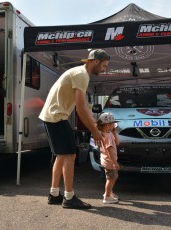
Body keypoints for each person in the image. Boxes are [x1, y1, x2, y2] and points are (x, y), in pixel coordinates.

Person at [39, 49, 110, 209]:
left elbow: (85, 108)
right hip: (56, 117)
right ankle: (69, 198)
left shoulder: (78, 72)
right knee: (70, 155)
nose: (104, 69)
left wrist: (95, 124)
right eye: (104, 66)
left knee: (61, 156)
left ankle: (54, 194)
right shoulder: (82, 75)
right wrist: (95, 132)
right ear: (96, 61)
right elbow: (81, 109)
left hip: (53, 116)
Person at [96, 112, 120, 204]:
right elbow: (109, 150)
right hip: (110, 161)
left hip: (106, 160)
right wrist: (115, 162)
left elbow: (117, 143)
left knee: (111, 177)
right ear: (107, 125)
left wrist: (114, 132)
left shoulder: (105, 134)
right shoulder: (108, 136)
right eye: (113, 124)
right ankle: (107, 196)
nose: (114, 126)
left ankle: (110, 192)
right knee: (112, 178)